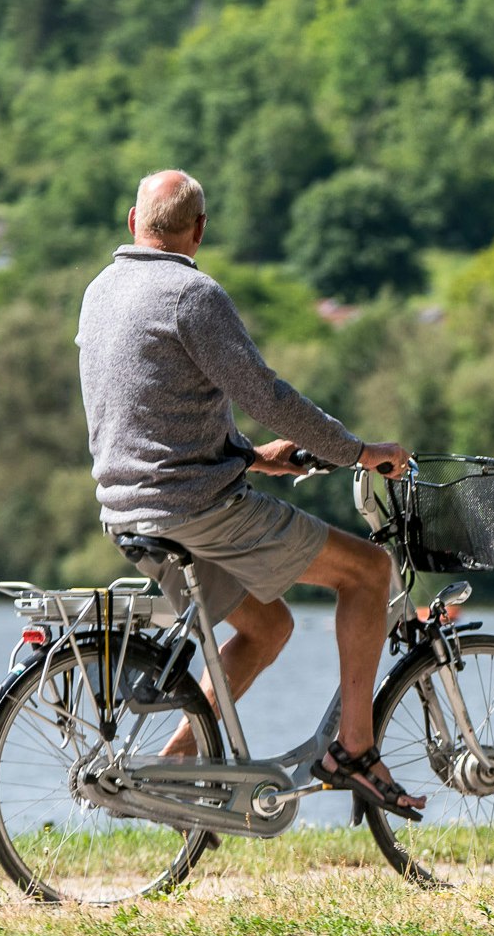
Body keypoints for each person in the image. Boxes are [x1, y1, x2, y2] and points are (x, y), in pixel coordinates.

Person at [75, 168, 427, 816]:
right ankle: (355, 749)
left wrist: (253, 459)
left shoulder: (101, 290)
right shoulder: (192, 295)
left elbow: (148, 411)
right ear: (200, 230)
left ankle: (177, 759)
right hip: (197, 511)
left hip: (128, 510)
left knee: (266, 627)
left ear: (133, 222)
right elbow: (268, 397)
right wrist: (358, 452)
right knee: (371, 572)